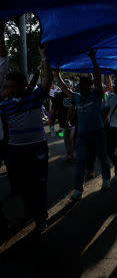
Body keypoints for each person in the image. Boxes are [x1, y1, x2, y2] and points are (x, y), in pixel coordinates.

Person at [0, 43, 54, 233]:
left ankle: (40, 217)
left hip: (36, 148)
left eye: (14, 86)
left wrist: (44, 57)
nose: (11, 90)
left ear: (24, 85)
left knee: (38, 183)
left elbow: (49, 80)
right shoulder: (3, 106)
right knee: (22, 185)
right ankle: (29, 212)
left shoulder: (35, 97)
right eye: (8, 87)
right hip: (15, 150)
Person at [54, 51, 111, 200]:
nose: (82, 87)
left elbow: (98, 77)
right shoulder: (77, 98)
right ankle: (78, 189)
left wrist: (94, 60)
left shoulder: (97, 95)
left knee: (103, 157)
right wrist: (56, 73)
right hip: (83, 135)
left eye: (86, 84)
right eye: (81, 85)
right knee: (80, 162)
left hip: (98, 133)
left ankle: (106, 179)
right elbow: (63, 88)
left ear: (91, 86)